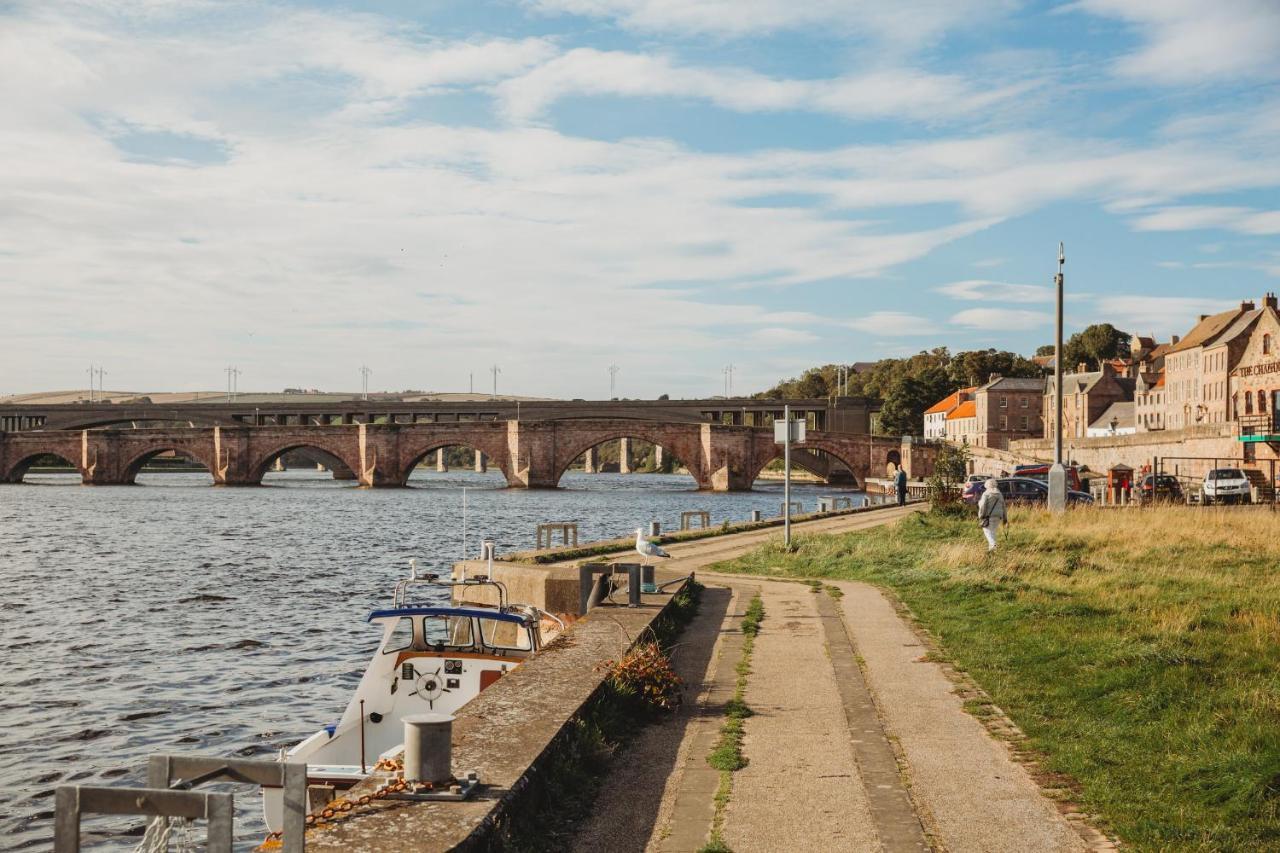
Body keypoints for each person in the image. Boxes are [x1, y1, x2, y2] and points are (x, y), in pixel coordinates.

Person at [977, 479, 1006, 552]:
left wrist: (981, 515)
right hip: (999, 516)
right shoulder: (999, 494)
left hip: (989, 516)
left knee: (987, 531)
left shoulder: (986, 493)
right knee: (992, 531)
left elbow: (983, 505)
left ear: (987, 485)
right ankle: (992, 550)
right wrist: (1005, 518)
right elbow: (1004, 506)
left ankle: (993, 545)